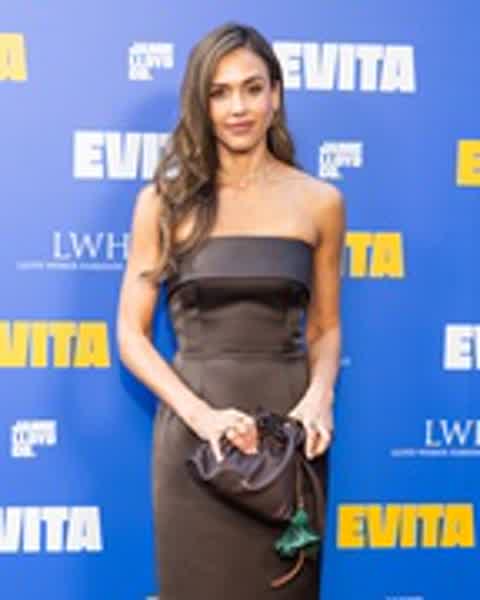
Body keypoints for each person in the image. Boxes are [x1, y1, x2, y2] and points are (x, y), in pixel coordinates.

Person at [116, 21, 345, 600]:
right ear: (201, 103)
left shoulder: (320, 202)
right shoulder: (163, 204)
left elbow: (325, 327)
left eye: (252, 88)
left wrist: (319, 397)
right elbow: (131, 335)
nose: (238, 108)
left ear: (276, 95)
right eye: (220, 93)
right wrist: (202, 416)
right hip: (195, 437)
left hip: (288, 441)